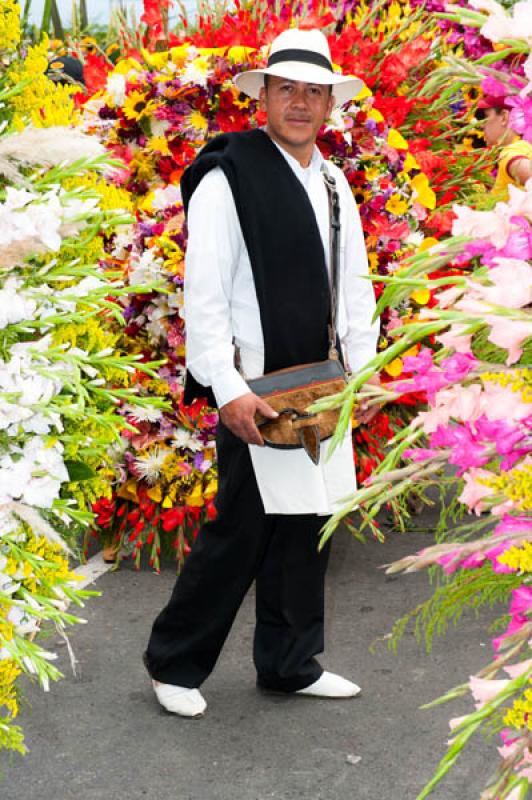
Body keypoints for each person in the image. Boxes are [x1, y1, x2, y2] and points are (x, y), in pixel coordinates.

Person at [143, 28, 380, 718]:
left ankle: (290, 663)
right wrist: (227, 386)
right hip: (257, 390)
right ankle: (173, 663)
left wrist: (364, 376)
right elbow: (206, 292)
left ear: (330, 105)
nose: (301, 104)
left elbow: (355, 287)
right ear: (265, 98)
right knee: (242, 529)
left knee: (309, 525)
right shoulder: (229, 176)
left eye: (315, 93)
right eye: (289, 90)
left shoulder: (334, 183)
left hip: (323, 387)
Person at [476, 94, 532, 200]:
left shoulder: (510, 155)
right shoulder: (524, 147)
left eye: (485, 116)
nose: (481, 125)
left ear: (504, 117)